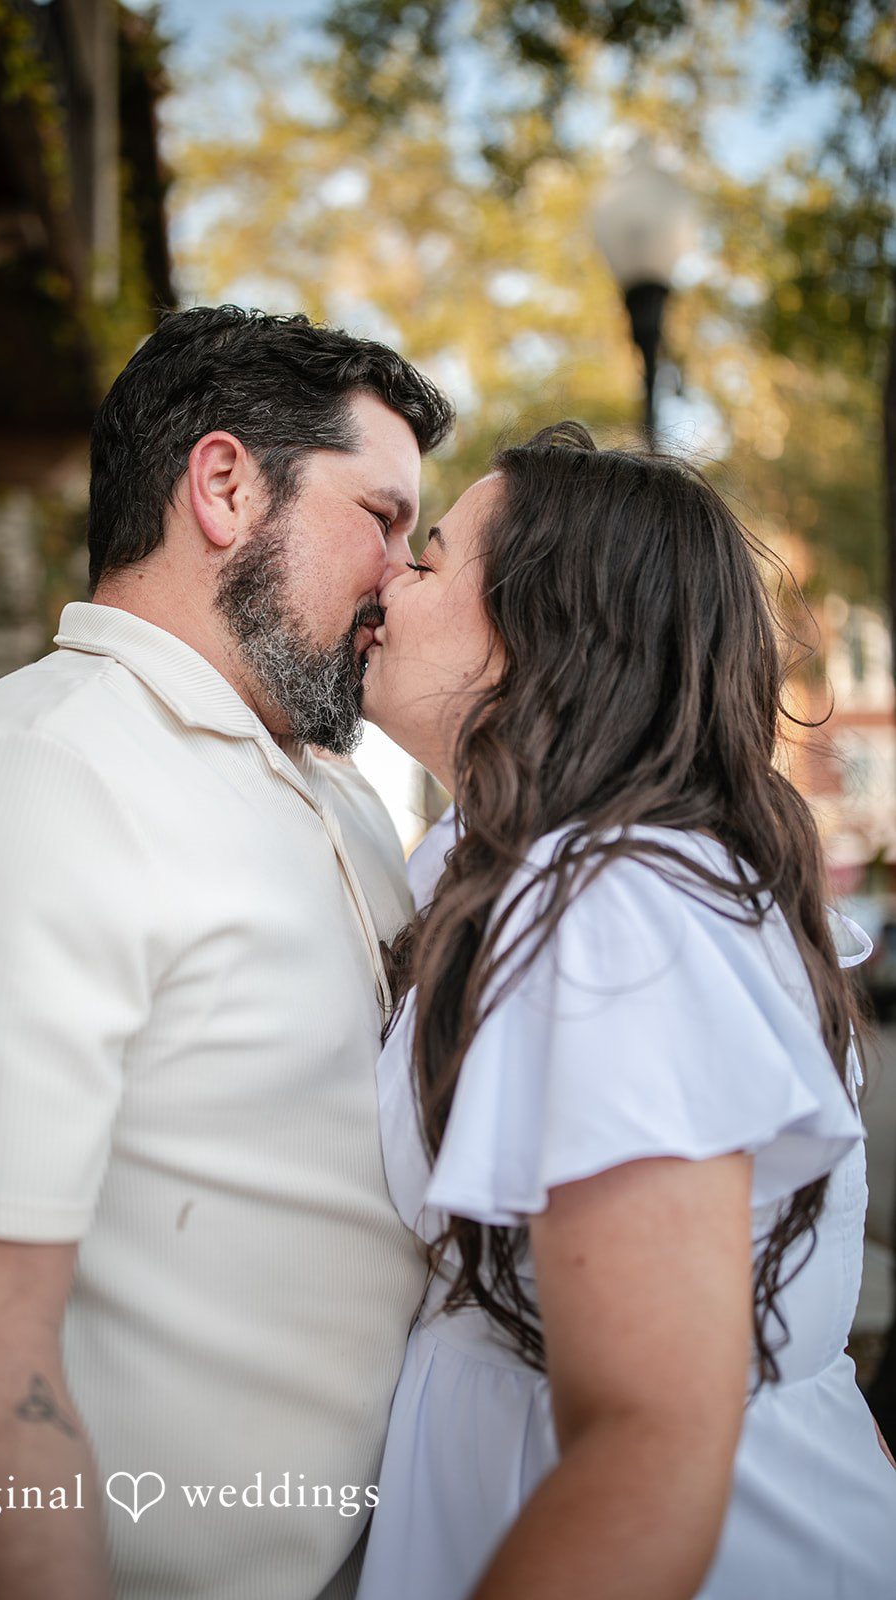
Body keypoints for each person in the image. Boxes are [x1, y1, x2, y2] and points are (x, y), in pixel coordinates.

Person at [0, 305, 453, 1600]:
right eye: (382, 519)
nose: (401, 577)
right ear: (224, 486)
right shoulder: (32, 778)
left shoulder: (341, 798)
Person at [354, 421, 896, 1600]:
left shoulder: (612, 906)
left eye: (430, 558)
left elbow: (650, 1440)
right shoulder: (533, 876)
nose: (386, 574)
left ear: (544, 632)